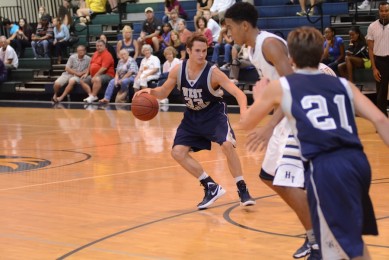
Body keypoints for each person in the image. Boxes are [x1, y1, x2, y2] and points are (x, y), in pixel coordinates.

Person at [238, 25, 389, 260]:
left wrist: (256, 99)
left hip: (326, 167)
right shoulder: (344, 85)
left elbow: (246, 124)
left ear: (291, 57)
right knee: (349, 238)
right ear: (322, 54)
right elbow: (381, 119)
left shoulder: (283, 86)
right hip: (358, 164)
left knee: (334, 243)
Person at [225, 3, 320, 259]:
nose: (229, 33)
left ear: (244, 25)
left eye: (231, 27)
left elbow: (294, 87)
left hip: (298, 116)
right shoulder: (252, 48)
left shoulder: (269, 44)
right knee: (269, 177)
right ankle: (315, 228)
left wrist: (268, 126)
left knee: (285, 180)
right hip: (285, 114)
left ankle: (317, 238)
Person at [134, 32, 255, 209]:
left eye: (204, 51)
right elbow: (163, 92)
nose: (201, 54)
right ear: (188, 51)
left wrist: (244, 112)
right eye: (197, 51)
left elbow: (238, 93)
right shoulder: (178, 70)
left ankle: (242, 188)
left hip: (214, 114)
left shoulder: (213, 73)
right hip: (192, 116)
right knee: (177, 152)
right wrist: (150, 92)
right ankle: (210, 186)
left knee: (227, 145)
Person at [366, 1, 389, 117]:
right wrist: (374, 68)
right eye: (382, 11)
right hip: (380, 61)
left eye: (386, 10)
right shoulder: (372, 26)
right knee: (381, 93)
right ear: (379, 11)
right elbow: (370, 49)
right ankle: (383, 120)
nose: (384, 13)